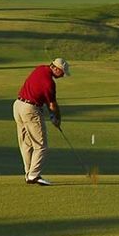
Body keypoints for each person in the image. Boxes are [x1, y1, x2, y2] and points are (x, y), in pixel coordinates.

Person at [13, 57, 70, 185]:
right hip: (30, 109)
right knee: (41, 145)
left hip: (18, 105)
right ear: (56, 68)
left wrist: (51, 116)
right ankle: (34, 175)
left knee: (26, 144)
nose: (62, 76)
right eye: (62, 72)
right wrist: (57, 119)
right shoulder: (49, 83)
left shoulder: (40, 68)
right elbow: (52, 105)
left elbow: (43, 97)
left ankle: (29, 173)